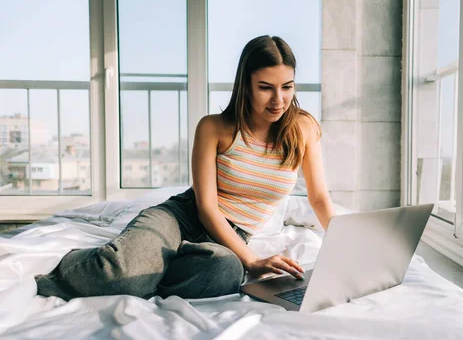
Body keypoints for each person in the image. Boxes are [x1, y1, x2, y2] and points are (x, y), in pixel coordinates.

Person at [35, 35, 335, 300]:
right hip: (181, 217)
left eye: (287, 87)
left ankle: (150, 273)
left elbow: (319, 197)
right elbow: (206, 207)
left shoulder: (303, 128)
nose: (279, 99)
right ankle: (77, 267)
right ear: (246, 85)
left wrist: (345, 245)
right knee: (120, 273)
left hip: (231, 237)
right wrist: (253, 261)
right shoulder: (214, 127)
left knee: (225, 272)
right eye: (266, 88)